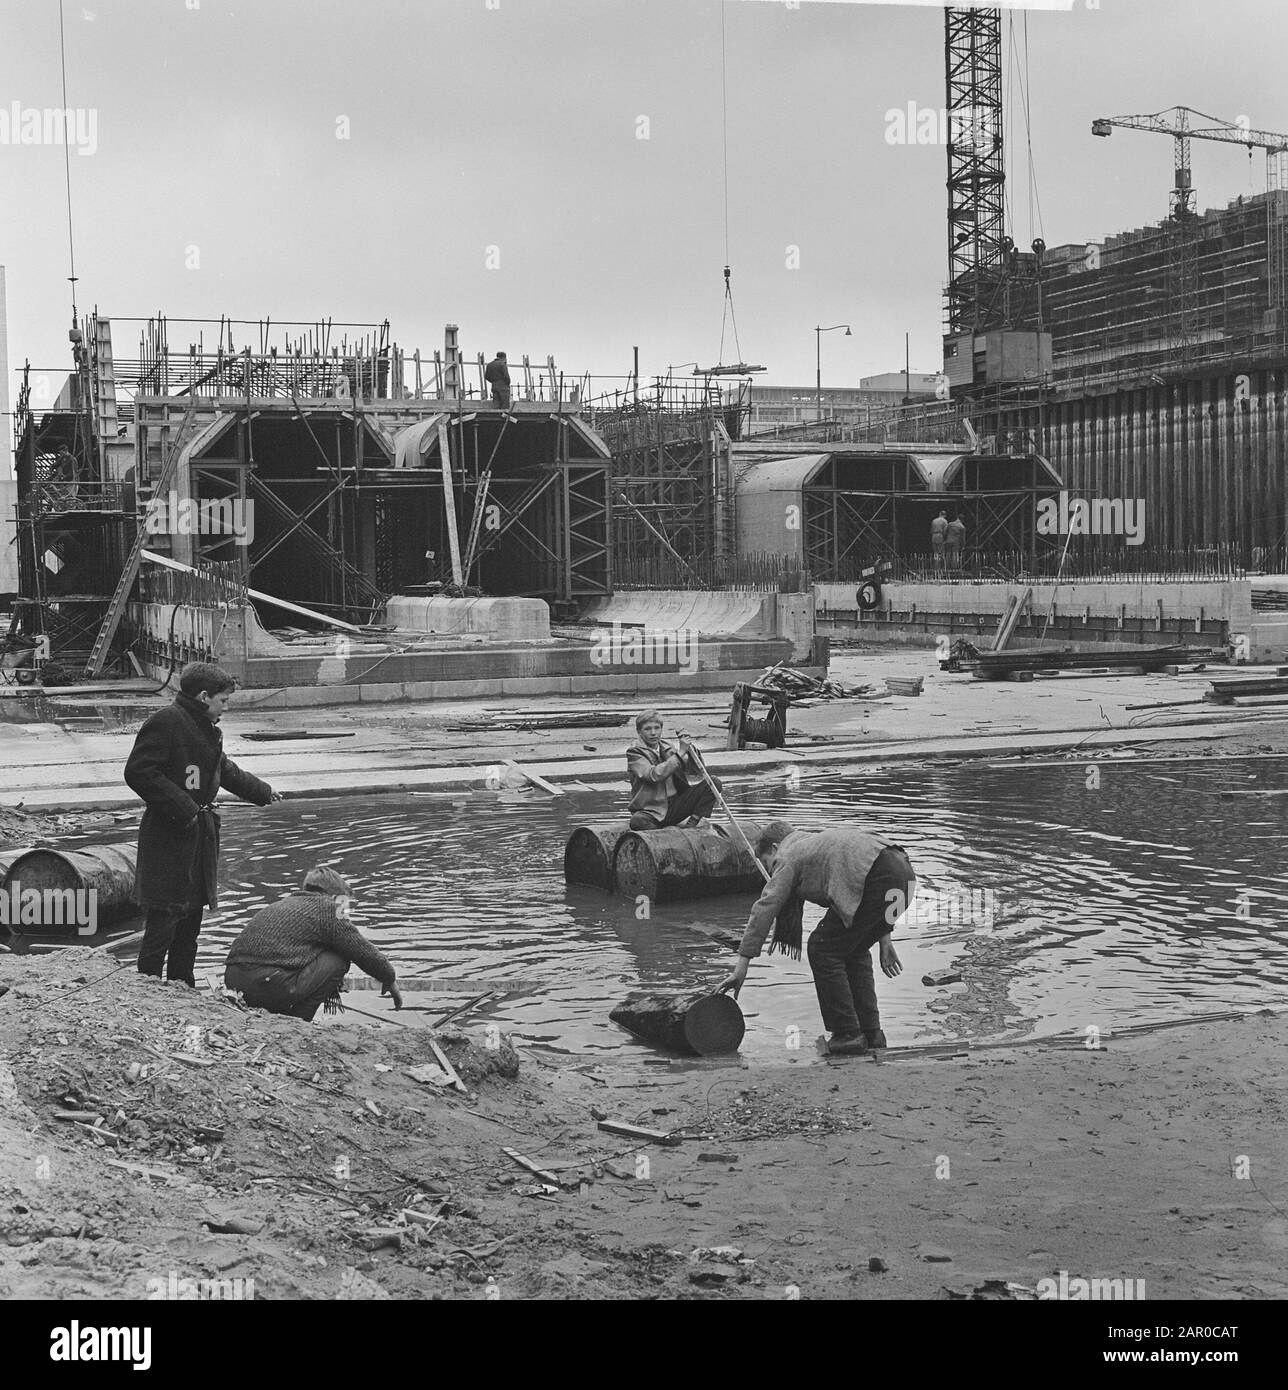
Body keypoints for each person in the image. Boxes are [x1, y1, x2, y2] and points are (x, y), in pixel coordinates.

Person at [124, 661, 279, 988]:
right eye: (223, 700)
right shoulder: (166, 722)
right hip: (169, 839)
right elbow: (139, 772)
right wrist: (186, 808)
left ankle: (183, 986)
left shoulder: (205, 729)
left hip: (199, 840)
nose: (227, 707)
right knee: (163, 923)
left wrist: (262, 791)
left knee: (190, 922)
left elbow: (223, 770)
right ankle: (147, 987)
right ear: (204, 696)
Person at [717, 821, 915, 1055]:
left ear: (774, 848)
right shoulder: (814, 843)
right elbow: (865, 875)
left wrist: (741, 966)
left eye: (768, 864)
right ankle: (872, 1034)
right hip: (904, 873)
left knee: (822, 948)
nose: (771, 872)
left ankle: (847, 1034)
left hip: (879, 877)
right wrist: (884, 937)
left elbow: (765, 907)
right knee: (851, 950)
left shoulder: (788, 855)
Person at [224, 867, 403, 1021]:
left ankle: (280, 1012)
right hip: (265, 984)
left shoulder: (286, 902)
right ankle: (298, 1021)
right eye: (343, 900)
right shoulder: (327, 907)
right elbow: (361, 950)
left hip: (234, 982)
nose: (345, 907)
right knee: (338, 960)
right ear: (334, 895)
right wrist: (389, 977)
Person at [626, 710, 720, 831]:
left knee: (713, 783)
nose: (653, 733)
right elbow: (653, 775)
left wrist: (689, 748)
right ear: (639, 732)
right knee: (637, 821)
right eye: (647, 729)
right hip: (651, 810)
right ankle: (661, 835)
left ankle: (693, 822)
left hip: (676, 804)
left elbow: (697, 770)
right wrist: (680, 753)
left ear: (661, 729)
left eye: (657, 728)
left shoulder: (667, 746)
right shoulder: (634, 752)